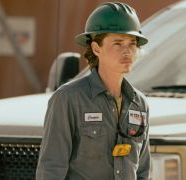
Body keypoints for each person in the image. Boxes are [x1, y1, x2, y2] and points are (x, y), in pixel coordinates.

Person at [36, 2, 150, 180]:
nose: (127, 51)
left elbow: (143, 171)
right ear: (97, 48)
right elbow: (51, 168)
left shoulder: (140, 104)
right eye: (118, 43)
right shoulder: (68, 99)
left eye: (132, 44)